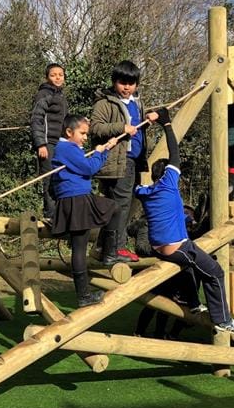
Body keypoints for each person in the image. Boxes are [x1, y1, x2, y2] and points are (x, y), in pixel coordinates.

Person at [134, 109, 234, 336]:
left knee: (190, 268)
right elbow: (175, 154)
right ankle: (223, 320)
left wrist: (140, 134)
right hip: (177, 247)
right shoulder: (168, 184)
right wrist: (166, 123)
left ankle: (191, 301)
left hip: (159, 246)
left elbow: (137, 175)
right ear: (166, 174)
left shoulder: (144, 191)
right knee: (214, 272)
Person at [90, 60, 157, 264]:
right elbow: (95, 128)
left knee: (119, 206)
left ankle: (103, 247)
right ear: (114, 82)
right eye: (122, 82)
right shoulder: (105, 103)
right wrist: (121, 127)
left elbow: (139, 128)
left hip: (134, 161)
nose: (127, 87)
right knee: (120, 206)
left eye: (131, 83)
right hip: (118, 161)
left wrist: (149, 119)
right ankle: (116, 249)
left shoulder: (137, 104)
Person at [50, 115, 119, 307]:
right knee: (79, 247)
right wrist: (99, 153)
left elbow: (85, 166)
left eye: (86, 134)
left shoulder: (72, 148)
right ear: (69, 132)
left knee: (114, 208)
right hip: (75, 198)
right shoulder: (66, 148)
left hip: (80, 196)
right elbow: (89, 168)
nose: (85, 138)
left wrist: (105, 149)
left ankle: (109, 252)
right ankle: (83, 296)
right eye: (82, 133)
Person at [29, 63, 67, 221]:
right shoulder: (44, 94)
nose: (57, 77)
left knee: (62, 177)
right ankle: (50, 215)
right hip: (48, 143)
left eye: (60, 74)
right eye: (53, 75)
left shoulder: (61, 96)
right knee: (49, 178)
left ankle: (61, 214)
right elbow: (37, 119)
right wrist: (41, 144)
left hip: (61, 143)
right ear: (47, 77)